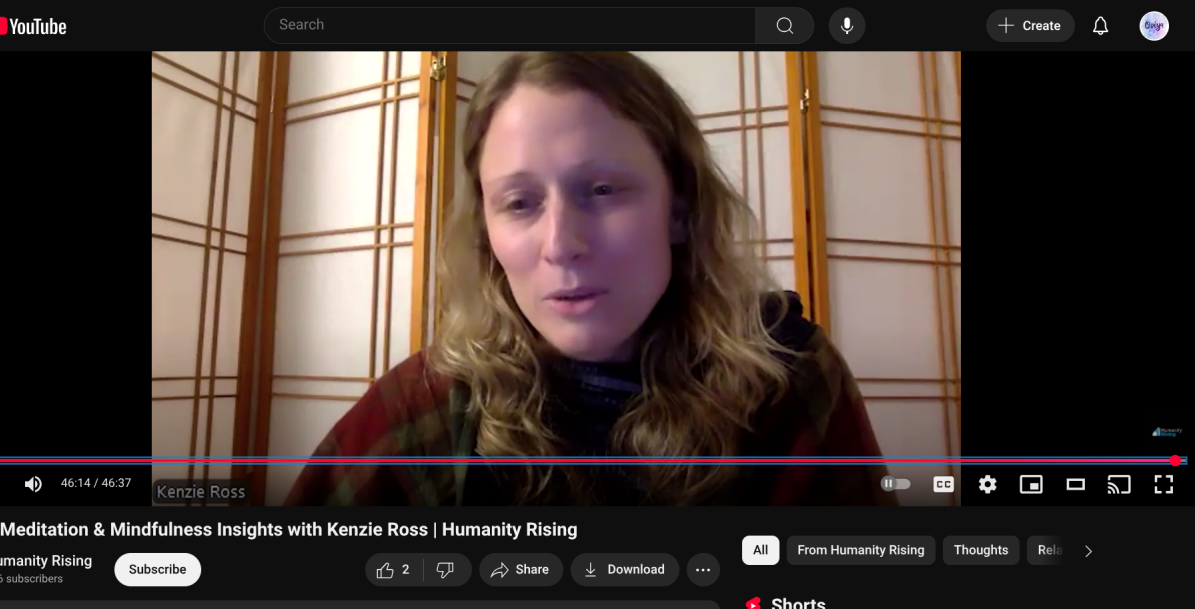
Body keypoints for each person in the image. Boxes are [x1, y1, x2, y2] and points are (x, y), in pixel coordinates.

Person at [285, 51, 895, 507]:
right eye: (519, 203)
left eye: (602, 190)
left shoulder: (786, 380)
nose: (560, 245)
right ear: (486, 232)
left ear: (679, 208)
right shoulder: (425, 409)